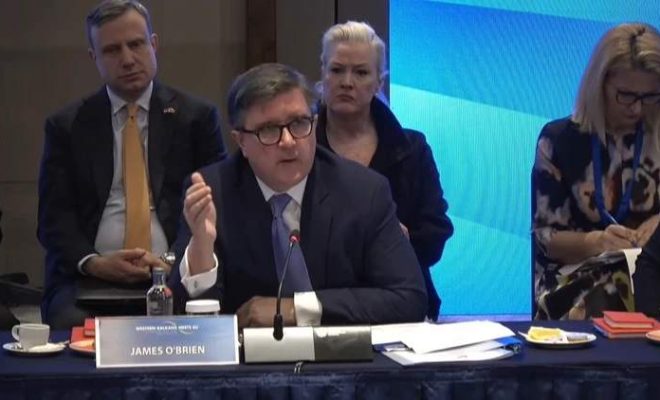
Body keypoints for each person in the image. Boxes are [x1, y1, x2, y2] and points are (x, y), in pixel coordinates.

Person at [169, 63, 427, 327]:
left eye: (299, 123)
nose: (288, 142)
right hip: (249, 353)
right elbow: (186, 320)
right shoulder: (213, 192)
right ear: (241, 141)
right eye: (269, 130)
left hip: (341, 350)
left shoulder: (364, 191)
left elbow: (409, 298)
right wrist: (202, 248)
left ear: (314, 123)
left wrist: (296, 309)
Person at [38, 0, 226, 329]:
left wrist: (172, 260)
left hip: (176, 272)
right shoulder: (67, 125)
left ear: (154, 44)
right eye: (112, 50)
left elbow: (215, 205)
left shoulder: (196, 118)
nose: (127, 59)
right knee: (71, 323)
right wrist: (95, 263)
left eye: (136, 44)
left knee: (204, 314)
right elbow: (54, 220)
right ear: (94, 57)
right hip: (90, 279)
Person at [315, 21, 453, 321]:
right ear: (323, 73)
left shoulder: (412, 149)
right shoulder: (298, 147)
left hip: (403, 306)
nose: (347, 82)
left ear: (379, 81)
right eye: (337, 70)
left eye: (361, 72)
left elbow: (435, 236)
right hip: (319, 308)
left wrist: (397, 240)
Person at [533, 22, 660, 319]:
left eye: (650, 96)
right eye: (626, 95)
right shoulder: (559, 140)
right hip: (582, 276)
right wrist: (597, 242)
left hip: (654, 272)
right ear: (599, 85)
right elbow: (546, 238)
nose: (637, 108)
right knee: (604, 297)